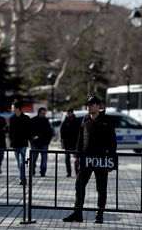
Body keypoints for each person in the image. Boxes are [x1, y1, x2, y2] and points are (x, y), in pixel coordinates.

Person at [62, 95, 117, 224]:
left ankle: (100, 214)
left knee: (101, 188)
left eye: (91, 104)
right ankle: (78, 213)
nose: (89, 106)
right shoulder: (85, 119)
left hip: (101, 159)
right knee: (79, 184)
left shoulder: (107, 120)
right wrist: (77, 156)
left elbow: (112, 143)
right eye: (88, 104)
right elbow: (80, 139)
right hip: (86, 159)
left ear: (98, 106)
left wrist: (111, 161)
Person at [9, 101, 31, 185]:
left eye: (13, 108)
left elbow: (29, 131)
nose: (12, 109)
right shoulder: (12, 118)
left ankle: (21, 179)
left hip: (23, 142)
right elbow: (10, 131)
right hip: (15, 143)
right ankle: (22, 177)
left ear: (18, 109)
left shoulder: (26, 118)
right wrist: (11, 142)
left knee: (22, 161)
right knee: (18, 162)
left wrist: (29, 140)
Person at [30, 107, 53, 177]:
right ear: (39, 112)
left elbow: (50, 132)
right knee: (33, 158)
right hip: (35, 143)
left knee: (44, 158)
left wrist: (48, 140)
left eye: (44, 113)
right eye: (42, 113)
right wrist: (32, 138)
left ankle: (43, 172)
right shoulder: (33, 120)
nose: (44, 114)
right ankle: (32, 170)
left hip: (44, 143)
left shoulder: (46, 121)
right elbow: (29, 131)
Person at [60, 108, 80, 177]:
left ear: (72, 113)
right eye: (67, 113)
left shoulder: (76, 121)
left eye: (69, 113)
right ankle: (69, 172)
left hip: (75, 144)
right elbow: (62, 132)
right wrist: (62, 141)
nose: (68, 114)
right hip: (67, 144)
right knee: (67, 159)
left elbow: (79, 132)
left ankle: (77, 172)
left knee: (76, 159)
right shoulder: (65, 122)